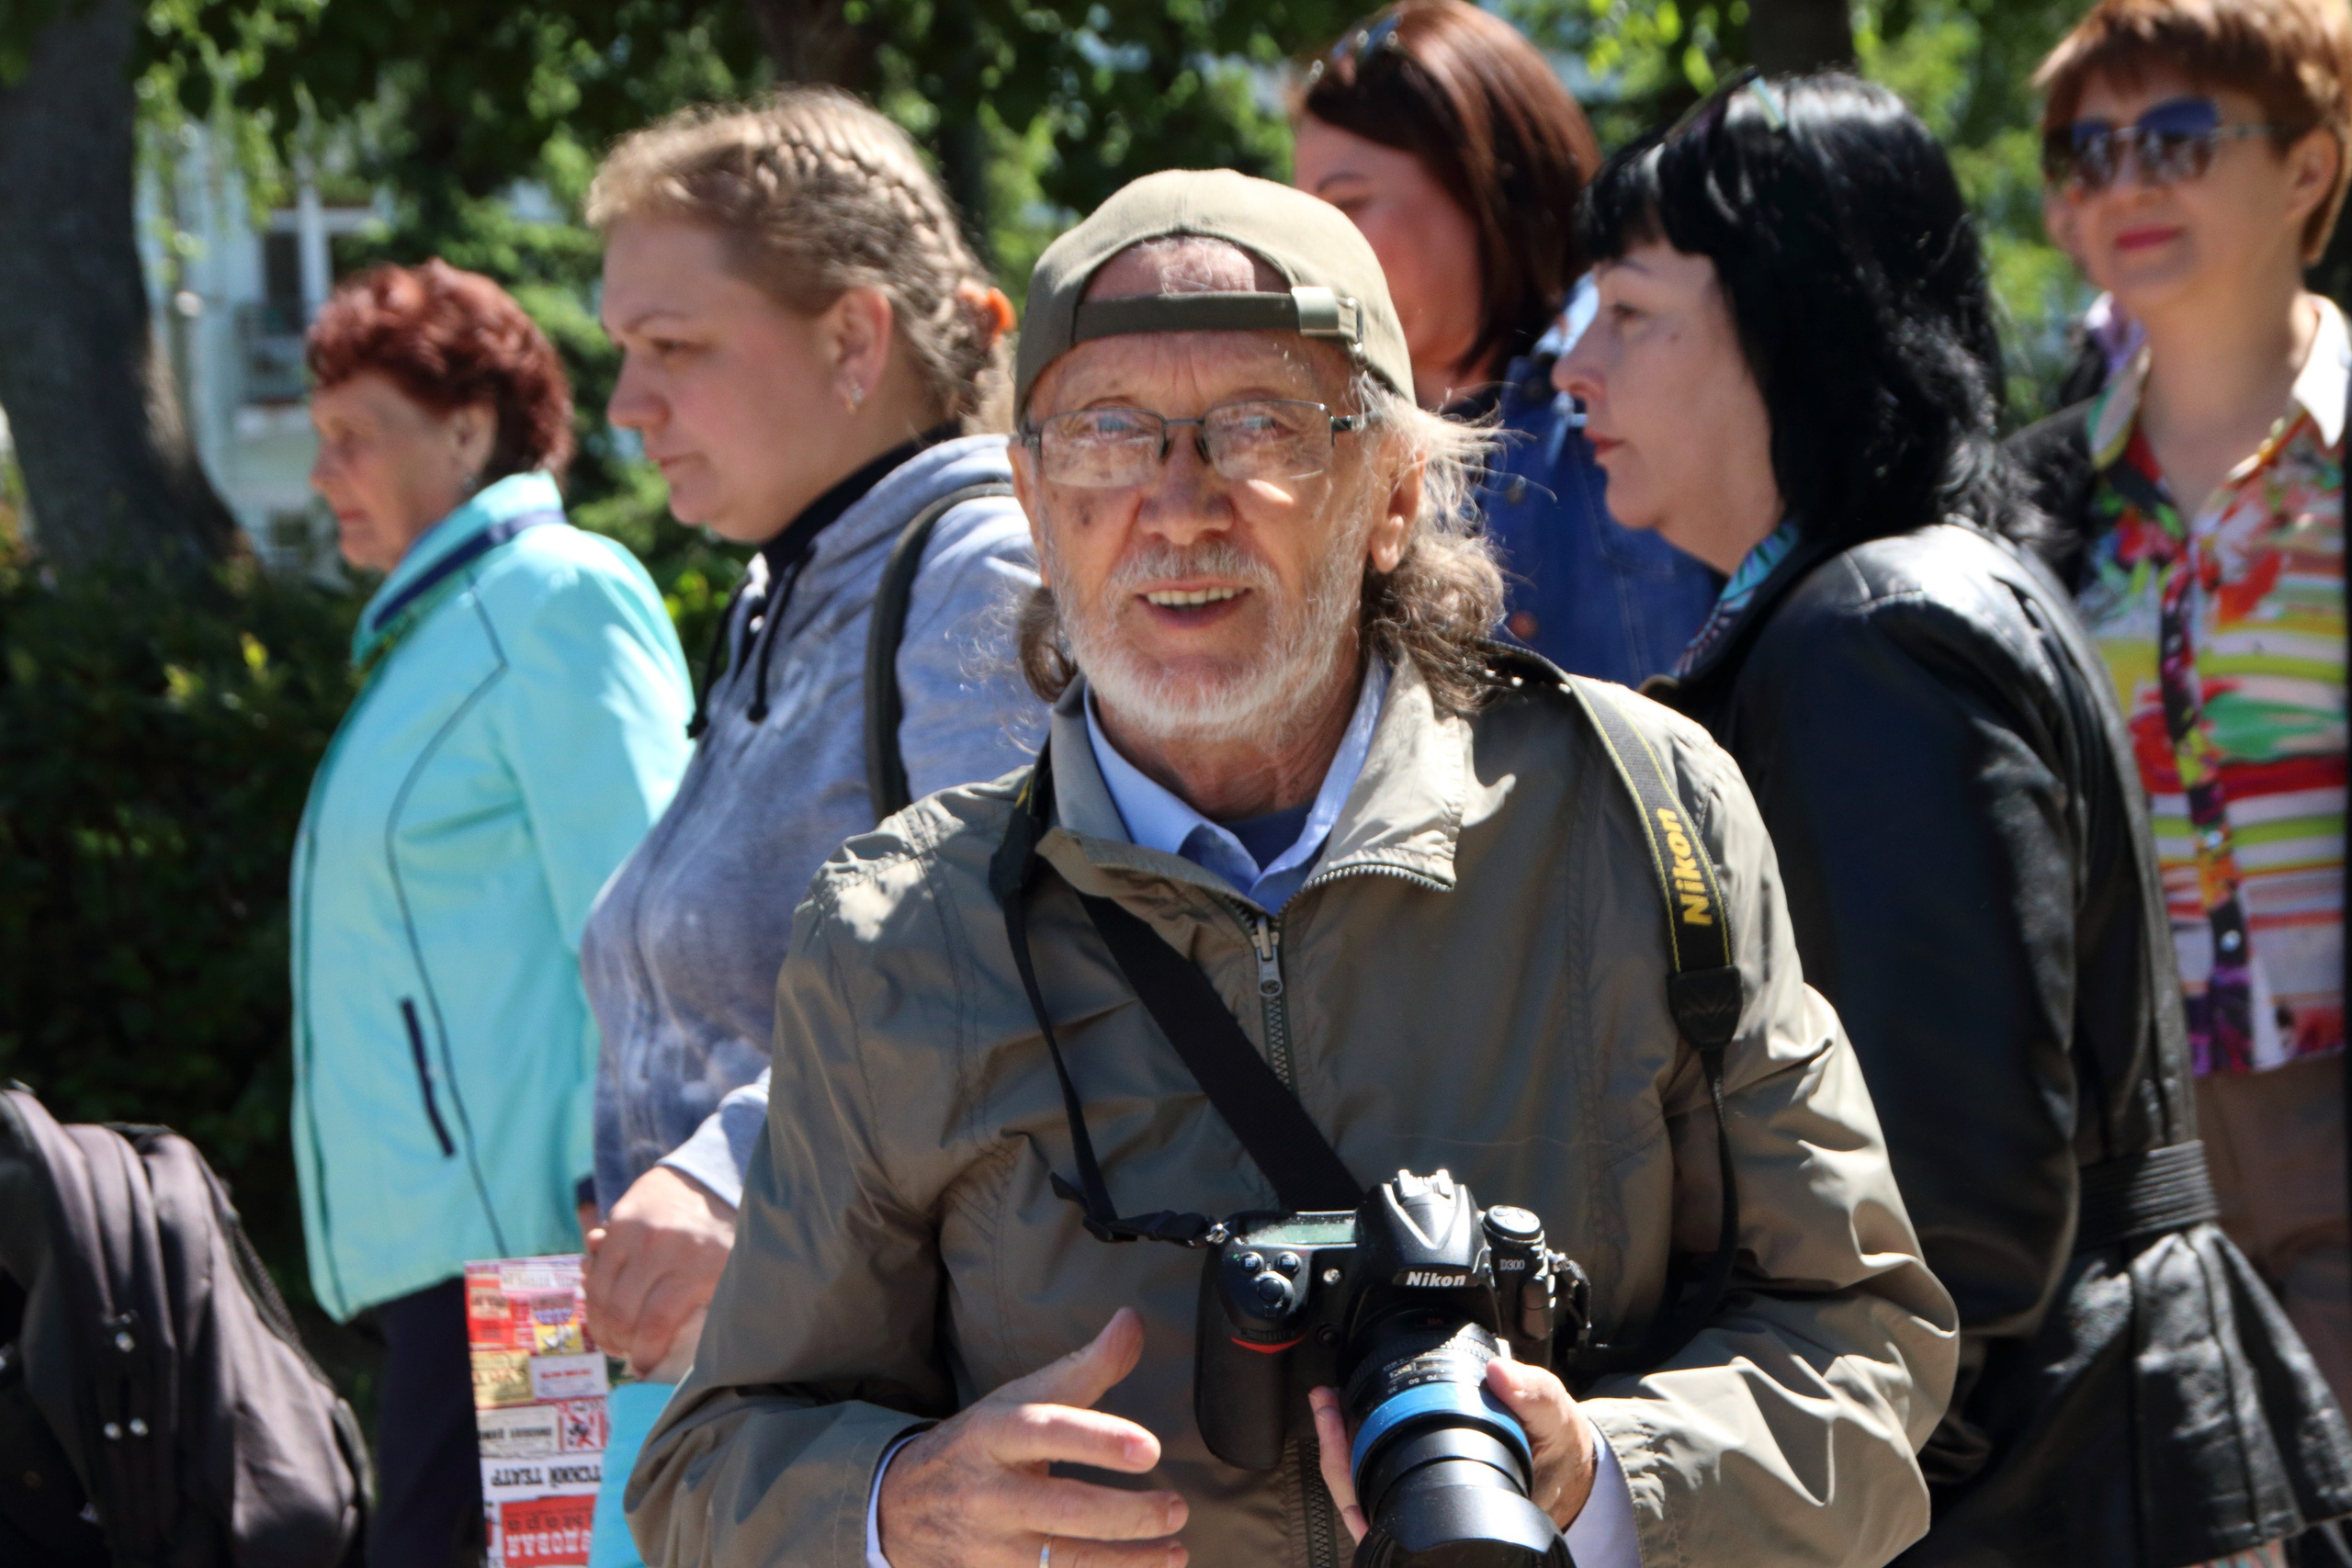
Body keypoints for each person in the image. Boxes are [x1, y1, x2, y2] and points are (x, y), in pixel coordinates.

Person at [625, 166, 1958, 1568]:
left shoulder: (1638, 813)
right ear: (1030, 498)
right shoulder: (903, 930)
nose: (1178, 503)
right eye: (1107, 436)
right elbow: (710, 1462)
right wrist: (903, 1501)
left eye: (1256, 426)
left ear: (1392, 492)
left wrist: (1606, 1475)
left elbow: (1863, 1341)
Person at [1563, 68, 2352, 1565]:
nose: (1574, 369)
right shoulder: (1882, 597)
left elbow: (1957, 1232)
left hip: (2051, 1491)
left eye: (1630, 312)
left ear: (1786, 322)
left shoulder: (1871, 635)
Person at [572, 89, 1046, 1562]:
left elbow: (1013, 947)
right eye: (622, 351)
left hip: (891, 1445)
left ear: (854, 339)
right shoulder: (784, 590)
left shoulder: (976, 567)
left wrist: (725, 1171)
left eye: (674, 346)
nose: (625, 406)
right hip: (753, 1434)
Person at [288, 259, 693, 1566]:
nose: (322, 473)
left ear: (469, 425)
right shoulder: (445, 631)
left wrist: (630, 1188)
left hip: (535, 1271)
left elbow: (649, 919)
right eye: (319, 438)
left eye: (356, 434)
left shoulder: (553, 596)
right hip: (456, 1274)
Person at [2016, 0, 2352, 1432]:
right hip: (2131, 1145)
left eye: (2176, 137)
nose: (2124, 183)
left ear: (2309, 167)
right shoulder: (2030, 499)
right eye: (2087, 152)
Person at [1292, 0, 1716, 683]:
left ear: (1484, 184)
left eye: (1346, 202)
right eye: (1303, 213)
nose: (1313, 246)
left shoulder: (1659, 368)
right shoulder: (1316, 438)